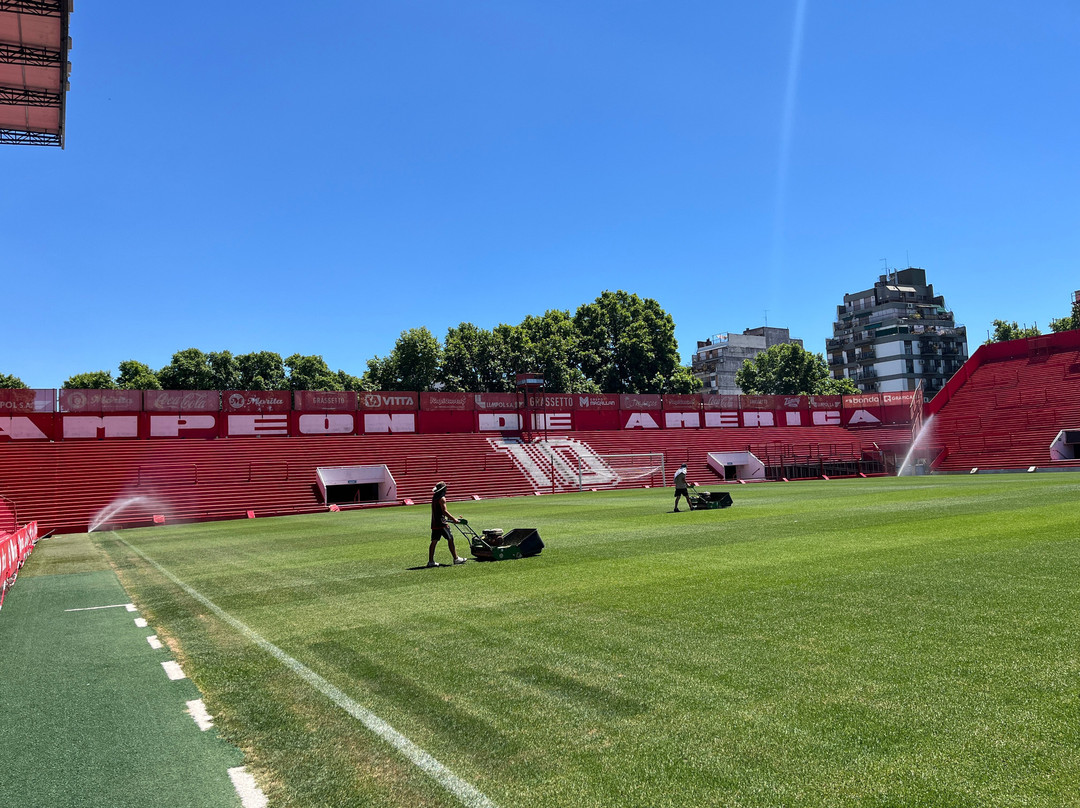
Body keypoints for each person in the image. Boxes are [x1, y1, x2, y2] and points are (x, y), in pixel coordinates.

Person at [428, 481, 467, 567]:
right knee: (450, 538)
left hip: (435, 523)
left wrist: (449, 518)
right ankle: (456, 558)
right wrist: (454, 519)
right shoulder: (442, 498)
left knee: (434, 541)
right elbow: (444, 511)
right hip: (441, 523)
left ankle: (431, 561)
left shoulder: (434, 497)